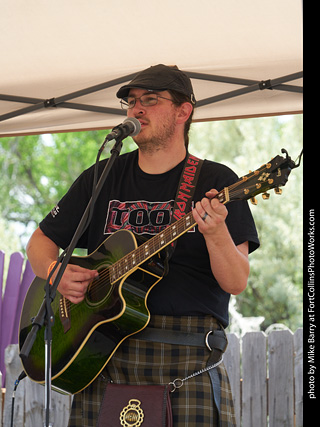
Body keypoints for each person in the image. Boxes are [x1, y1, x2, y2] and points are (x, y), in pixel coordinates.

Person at [26, 64, 259, 426]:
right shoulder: (102, 176)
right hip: (103, 355)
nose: (136, 109)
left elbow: (236, 282)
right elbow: (40, 242)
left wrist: (215, 233)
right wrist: (55, 272)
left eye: (150, 100)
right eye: (132, 102)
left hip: (186, 360)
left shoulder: (216, 181)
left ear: (184, 111)